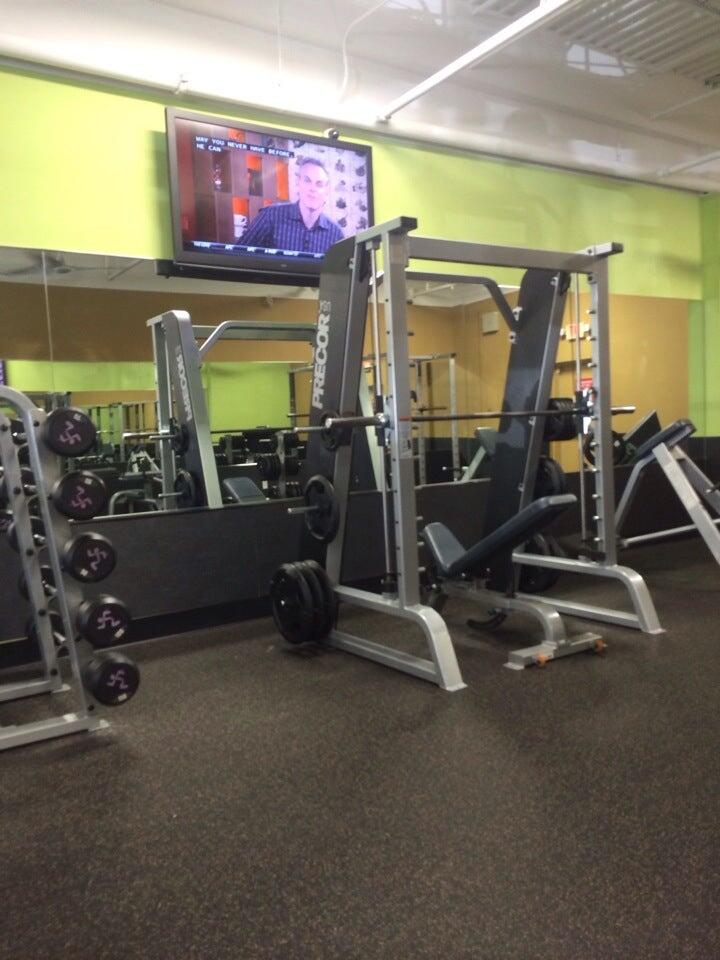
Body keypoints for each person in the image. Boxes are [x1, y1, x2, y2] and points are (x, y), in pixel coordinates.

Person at [240, 156, 344, 255]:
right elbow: (239, 254)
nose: (312, 189)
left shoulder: (336, 234)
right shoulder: (271, 215)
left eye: (319, 184)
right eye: (307, 181)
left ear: (326, 190)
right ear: (298, 183)